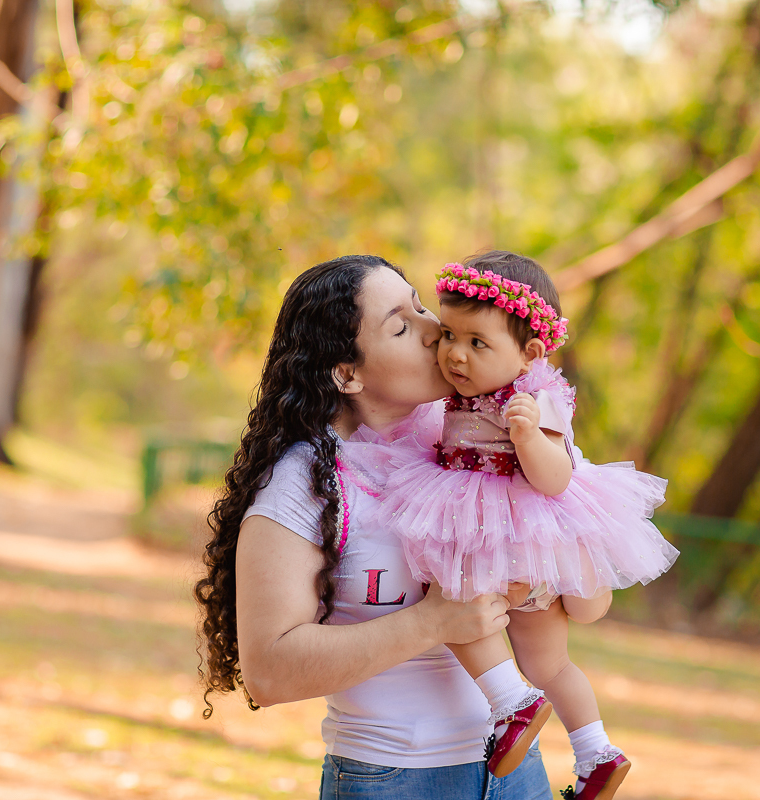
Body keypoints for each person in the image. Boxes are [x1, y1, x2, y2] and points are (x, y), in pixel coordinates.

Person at [194, 255, 553, 798]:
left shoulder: (468, 436)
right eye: (401, 326)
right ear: (348, 373)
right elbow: (268, 672)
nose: (434, 330)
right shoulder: (301, 482)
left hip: (518, 772)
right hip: (395, 778)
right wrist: (432, 623)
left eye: (420, 306)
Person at [370, 251, 679, 799]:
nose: (455, 353)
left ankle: (528, 710)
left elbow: (556, 478)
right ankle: (593, 753)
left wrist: (529, 437)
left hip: (521, 546)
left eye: (477, 342)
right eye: (449, 335)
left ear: (530, 352)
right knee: (541, 660)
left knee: (460, 611)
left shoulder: (537, 399)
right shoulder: (457, 391)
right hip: (504, 545)